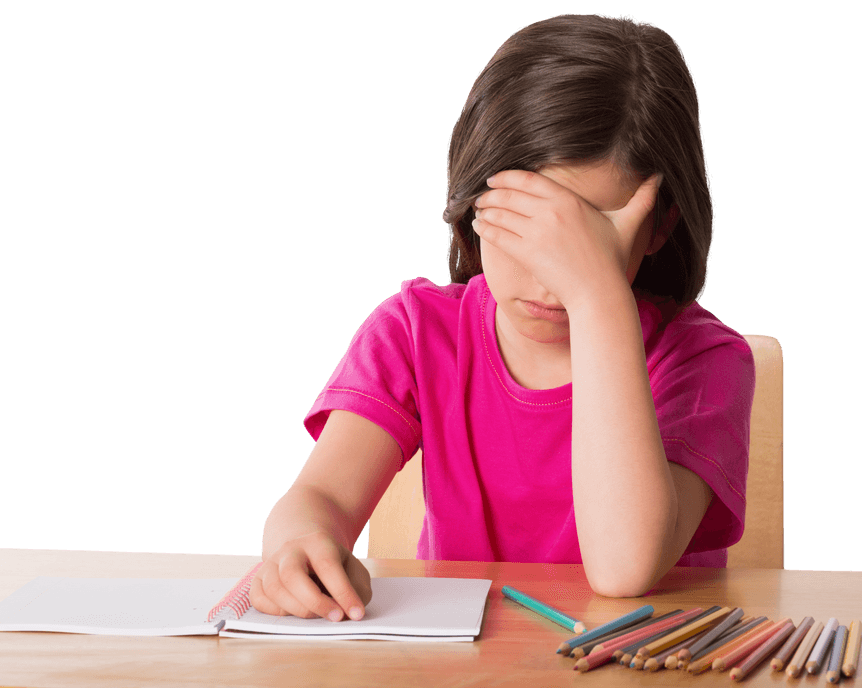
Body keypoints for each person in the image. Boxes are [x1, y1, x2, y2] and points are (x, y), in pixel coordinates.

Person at [250, 13, 755, 622]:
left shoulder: (706, 362)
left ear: (659, 226)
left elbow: (625, 569)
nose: (548, 280)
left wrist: (598, 298)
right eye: (522, 230)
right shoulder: (414, 331)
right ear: (472, 205)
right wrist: (298, 542)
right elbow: (321, 498)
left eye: (586, 240)